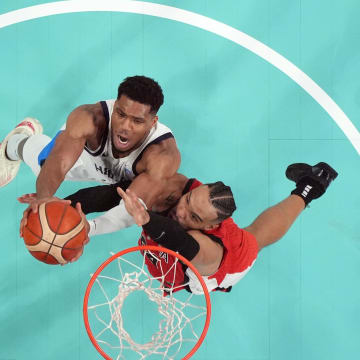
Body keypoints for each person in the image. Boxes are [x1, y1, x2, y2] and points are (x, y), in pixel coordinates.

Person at [20, 161, 337, 294]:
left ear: (212, 225)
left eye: (193, 217)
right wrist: (58, 204)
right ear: (196, 188)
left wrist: (147, 220)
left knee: (255, 240)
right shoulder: (179, 190)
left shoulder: (211, 248)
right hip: (172, 243)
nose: (181, 212)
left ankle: (308, 190)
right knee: (146, 189)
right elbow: (115, 192)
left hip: (218, 271)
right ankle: (312, 183)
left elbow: (186, 246)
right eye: (187, 202)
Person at [0, 75, 181, 237]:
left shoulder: (162, 155)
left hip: (120, 182)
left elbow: (133, 208)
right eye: (121, 114)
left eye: (137, 121)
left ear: (153, 122)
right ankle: (17, 141)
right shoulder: (89, 119)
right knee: (44, 165)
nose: (125, 126)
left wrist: (89, 228)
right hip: (84, 157)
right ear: (115, 106)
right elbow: (59, 163)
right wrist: (43, 199)